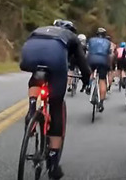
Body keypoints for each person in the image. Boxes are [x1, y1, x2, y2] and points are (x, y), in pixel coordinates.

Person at [20, 19, 91, 179]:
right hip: (54, 57)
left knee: (36, 76)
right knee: (56, 105)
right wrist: (86, 81)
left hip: (29, 52)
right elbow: (82, 64)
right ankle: (53, 162)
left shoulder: (42, 28)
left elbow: (29, 42)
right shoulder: (71, 37)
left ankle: (32, 109)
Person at [86, 27, 112, 112]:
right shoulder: (108, 42)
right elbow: (109, 53)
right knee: (102, 80)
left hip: (92, 59)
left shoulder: (91, 40)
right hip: (103, 61)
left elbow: (88, 49)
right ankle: (101, 102)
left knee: (91, 72)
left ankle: (89, 85)